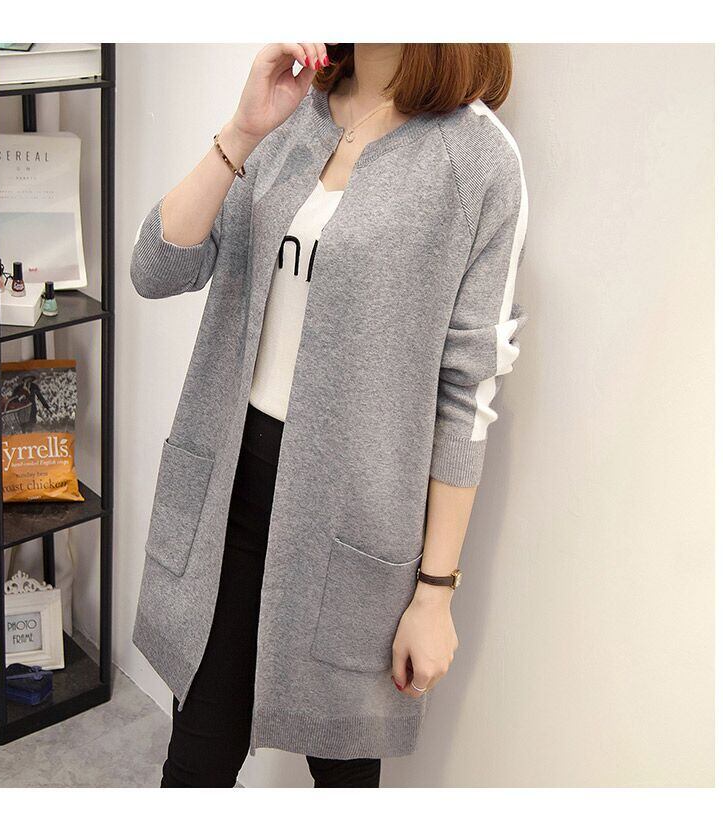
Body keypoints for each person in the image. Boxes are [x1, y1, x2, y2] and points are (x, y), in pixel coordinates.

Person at [130, 42, 528, 788]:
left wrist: (435, 591)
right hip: (229, 499)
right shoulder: (291, 111)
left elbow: (467, 391)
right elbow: (157, 269)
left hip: (354, 521)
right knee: (193, 769)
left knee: (343, 773)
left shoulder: (479, 160)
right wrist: (243, 129)